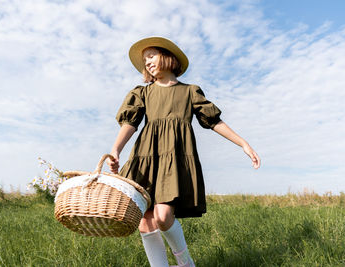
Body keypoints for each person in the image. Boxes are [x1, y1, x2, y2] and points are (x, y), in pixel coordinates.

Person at [108, 37, 260, 267]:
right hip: (146, 157)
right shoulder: (142, 93)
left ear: (168, 57)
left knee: (163, 216)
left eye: (151, 56)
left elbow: (214, 121)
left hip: (174, 159)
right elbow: (130, 124)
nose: (147, 62)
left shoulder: (190, 91)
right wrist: (116, 150)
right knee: (145, 222)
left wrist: (243, 144)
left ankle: (185, 262)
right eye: (144, 60)